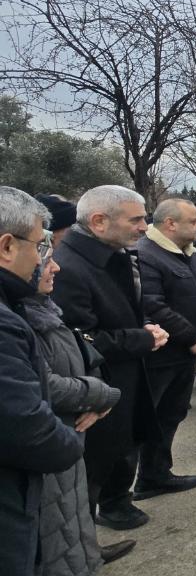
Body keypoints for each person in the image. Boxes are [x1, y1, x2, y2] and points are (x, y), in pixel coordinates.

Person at [52, 185, 166, 532]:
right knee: (95, 464)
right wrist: (141, 338)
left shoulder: (110, 255)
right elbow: (78, 340)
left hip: (123, 375)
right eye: (136, 219)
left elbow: (116, 314)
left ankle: (118, 504)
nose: (145, 227)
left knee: (123, 445)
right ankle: (83, 547)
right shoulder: (69, 267)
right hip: (97, 385)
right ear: (99, 221)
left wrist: (142, 326)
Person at [1, 188, 103, 576]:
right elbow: (27, 427)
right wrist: (70, 438)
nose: (49, 261)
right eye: (42, 244)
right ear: (8, 246)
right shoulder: (7, 320)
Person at [135, 199, 196, 503]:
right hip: (160, 357)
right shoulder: (145, 256)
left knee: (173, 413)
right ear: (170, 223)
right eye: (193, 220)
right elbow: (154, 306)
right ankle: (118, 496)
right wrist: (193, 338)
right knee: (145, 421)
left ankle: (156, 474)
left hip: (189, 351)